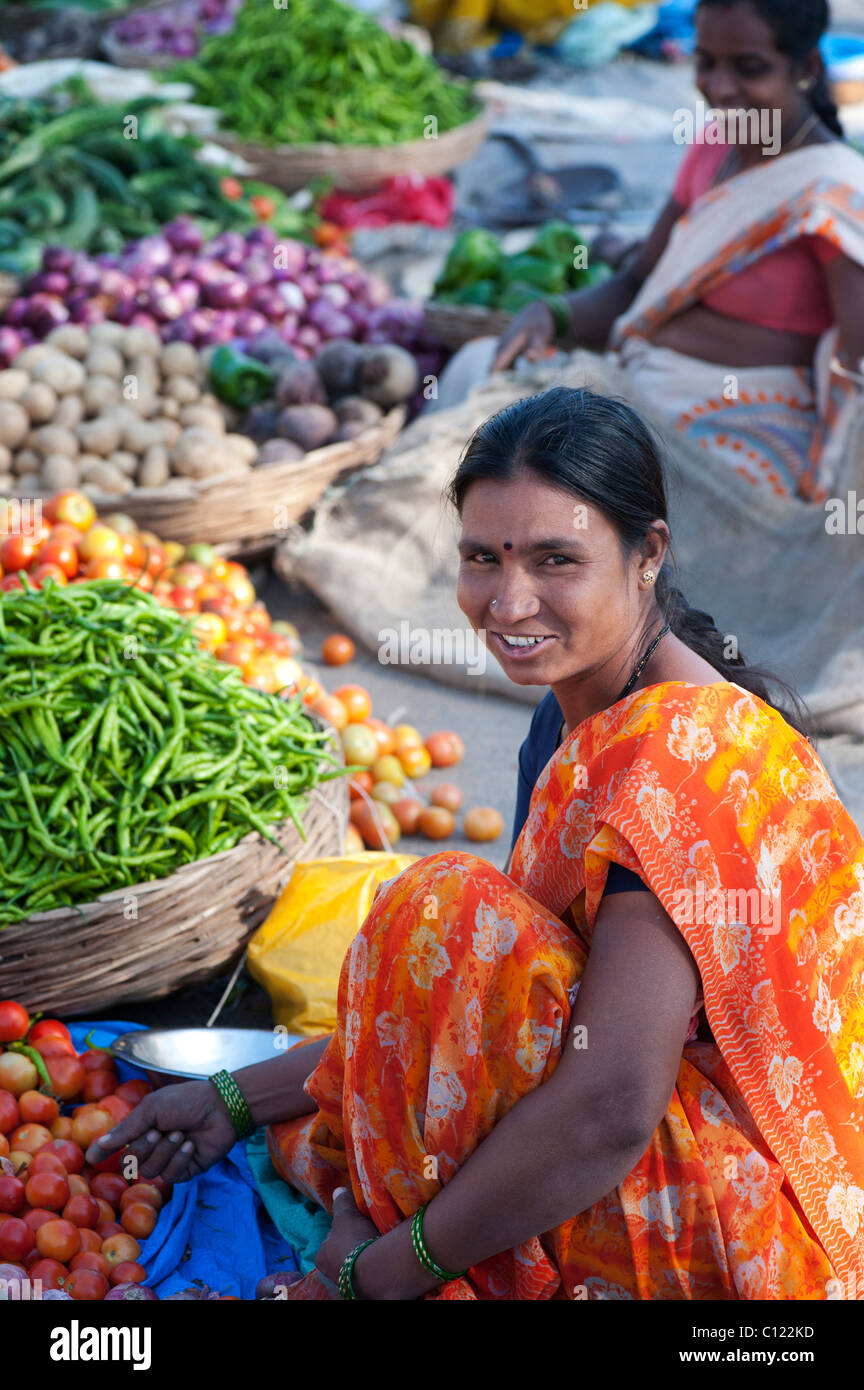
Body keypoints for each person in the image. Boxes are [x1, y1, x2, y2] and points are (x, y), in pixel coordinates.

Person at [89, 388, 864, 1301]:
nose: (509, 600)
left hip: (760, 1246)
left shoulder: (679, 762)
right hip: (662, 1138)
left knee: (441, 911)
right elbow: (492, 999)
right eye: (483, 559)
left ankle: (382, 1241)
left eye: (555, 560)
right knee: (441, 943)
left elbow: (612, 1103)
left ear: (647, 554)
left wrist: (387, 1272)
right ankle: (381, 1222)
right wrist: (231, 1099)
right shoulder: (571, 718)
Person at [477, 0, 864, 501]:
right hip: (643, 391)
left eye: (749, 68)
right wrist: (552, 313)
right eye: (705, 63)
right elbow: (639, 281)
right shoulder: (712, 148)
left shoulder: (833, 193)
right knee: (481, 406)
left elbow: (855, 372)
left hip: (751, 431)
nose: (720, 88)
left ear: (807, 67)